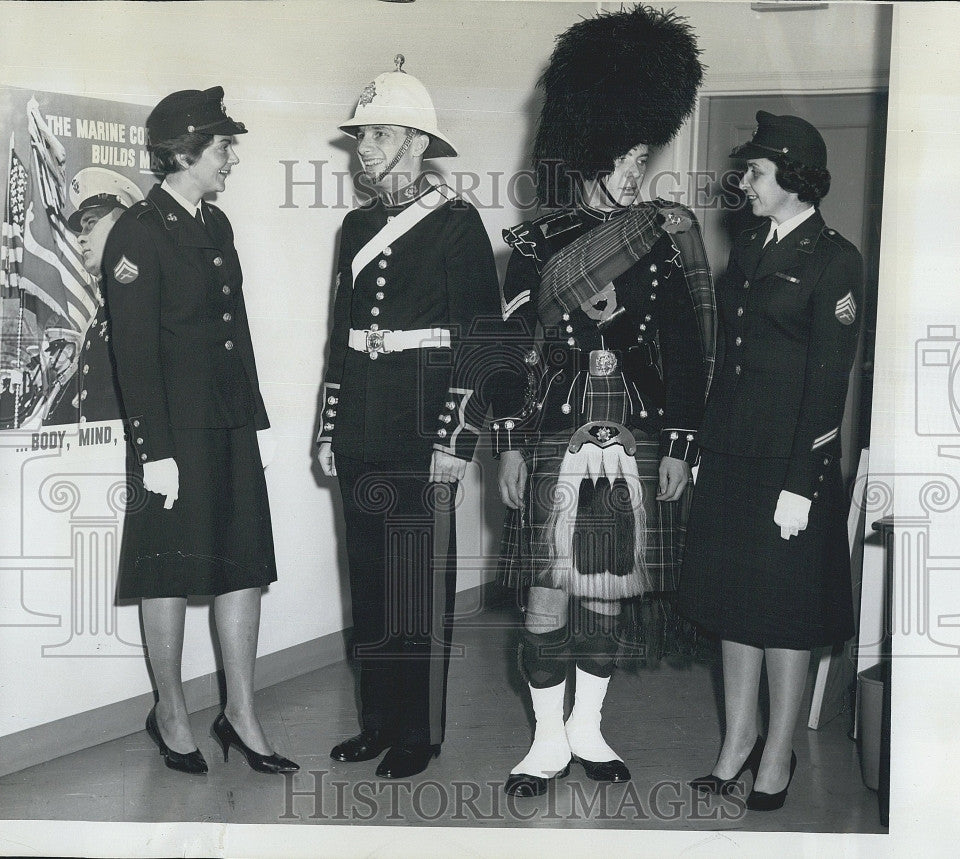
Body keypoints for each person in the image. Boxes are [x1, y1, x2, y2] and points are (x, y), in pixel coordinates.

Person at [491, 7, 714, 798]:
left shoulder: (663, 231)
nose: (637, 168)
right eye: (628, 154)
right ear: (596, 149)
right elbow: (513, 358)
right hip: (554, 425)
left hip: (638, 426)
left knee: (610, 589)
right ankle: (546, 741)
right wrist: (511, 443)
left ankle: (589, 727)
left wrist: (683, 447)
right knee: (546, 593)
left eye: (643, 153)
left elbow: (686, 353)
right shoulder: (531, 247)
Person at [104, 87, 297, 775]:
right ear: (184, 152)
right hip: (172, 437)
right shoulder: (139, 231)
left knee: (242, 562)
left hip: (227, 423)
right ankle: (172, 713)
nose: (231, 157)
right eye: (223, 146)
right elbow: (132, 351)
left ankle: (240, 714)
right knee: (169, 573)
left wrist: (258, 418)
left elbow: (233, 331)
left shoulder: (215, 226)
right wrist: (153, 451)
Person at [317, 56, 500, 780]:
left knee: (417, 582)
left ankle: (419, 731)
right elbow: (341, 334)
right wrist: (330, 427)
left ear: (418, 143)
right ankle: (379, 720)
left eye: (380, 134)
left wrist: (459, 441)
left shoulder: (457, 224)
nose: (364, 148)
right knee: (369, 577)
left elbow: (487, 342)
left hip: (426, 429)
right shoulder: (355, 224)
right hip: (362, 421)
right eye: (361, 135)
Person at [679, 112, 862, 811]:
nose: (743, 182)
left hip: (792, 466)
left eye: (754, 172)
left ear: (792, 175)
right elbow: (729, 358)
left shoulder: (835, 257)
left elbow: (828, 380)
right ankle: (736, 742)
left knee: (784, 612)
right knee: (733, 603)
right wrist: (704, 444)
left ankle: (776, 755)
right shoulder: (749, 243)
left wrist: (801, 483)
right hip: (732, 455)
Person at [64, 168, 142, 424]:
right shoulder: (105, 309)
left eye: (91, 223)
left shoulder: (146, 299)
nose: (81, 239)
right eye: (81, 229)